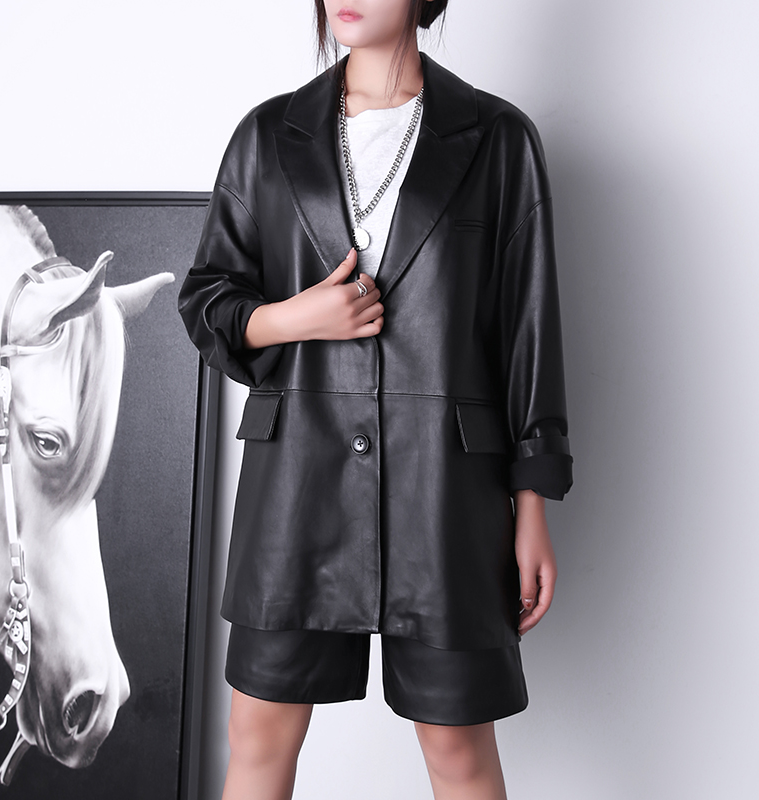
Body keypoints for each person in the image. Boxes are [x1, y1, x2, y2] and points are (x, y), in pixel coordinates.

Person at [178, 1, 572, 797]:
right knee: (258, 736)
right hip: (294, 482)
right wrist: (296, 318)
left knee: (458, 749)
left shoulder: (499, 139)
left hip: (445, 489)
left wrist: (533, 501)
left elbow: (528, 330)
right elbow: (207, 299)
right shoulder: (267, 136)